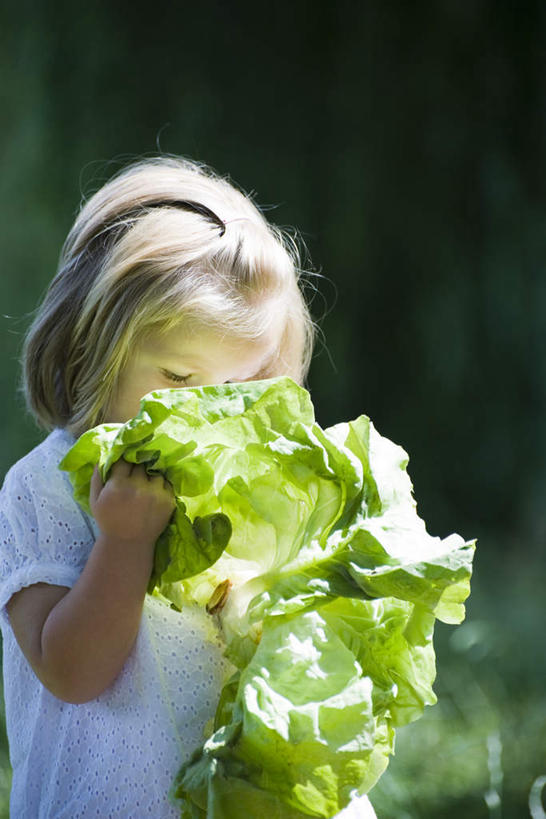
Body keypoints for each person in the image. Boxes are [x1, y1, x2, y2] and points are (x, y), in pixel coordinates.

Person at [0, 155, 376, 818]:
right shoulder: (43, 488)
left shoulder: (248, 486)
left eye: (238, 387)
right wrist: (124, 540)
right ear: (94, 347)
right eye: (179, 379)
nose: (205, 410)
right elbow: (72, 672)